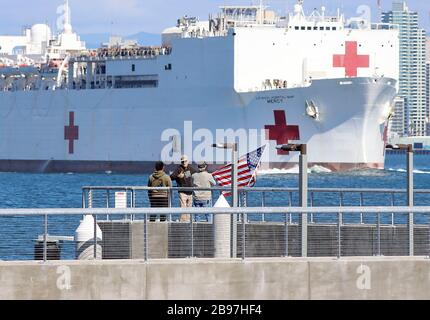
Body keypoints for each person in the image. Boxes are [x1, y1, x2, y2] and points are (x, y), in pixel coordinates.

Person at [170, 155, 197, 222]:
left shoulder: (191, 169)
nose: (184, 163)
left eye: (185, 161)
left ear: (188, 161)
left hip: (190, 192)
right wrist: (178, 176)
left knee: (189, 208)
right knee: (183, 208)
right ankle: (183, 222)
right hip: (182, 192)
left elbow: (196, 176)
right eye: (182, 162)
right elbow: (171, 177)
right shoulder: (178, 169)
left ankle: (188, 221)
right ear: (181, 162)